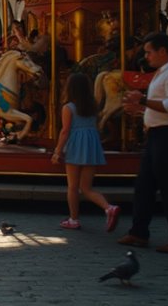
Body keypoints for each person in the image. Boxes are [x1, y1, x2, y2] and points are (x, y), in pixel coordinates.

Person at [119, 32, 168, 254]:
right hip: (158, 134)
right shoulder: (164, 73)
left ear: (163, 51)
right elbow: (165, 108)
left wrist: (142, 100)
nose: (146, 56)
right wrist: (142, 110)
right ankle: (139, 232)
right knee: (144, 185)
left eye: (149, 52)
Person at [51, 73, 119, 231]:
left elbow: (65, 131)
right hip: (90, 145)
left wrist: (57, 151)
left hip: (76, 145)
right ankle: (109, 207)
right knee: (87, 188)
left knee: (73, 187)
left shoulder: (68, 107)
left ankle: (74, 219)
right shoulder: (92, 105)